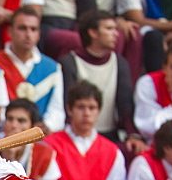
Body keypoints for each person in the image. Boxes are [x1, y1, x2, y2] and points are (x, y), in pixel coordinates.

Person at [44, 81, 126, 180]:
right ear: (69, 109)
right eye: (81, 107)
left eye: (92, 108)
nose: (86, 113)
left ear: (99, 111)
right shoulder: (50, 145)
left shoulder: (112, 150)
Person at [59, 9, 143, 154]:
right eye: (109, 29)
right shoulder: (69, 62)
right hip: (75, 136)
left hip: (108, 135)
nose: (116, 34)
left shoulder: (120, 63)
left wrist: (133, 134)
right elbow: (67, 103)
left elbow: (125, 103)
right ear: (93, 33)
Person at [0, 5, 65, 132]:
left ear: (39, 34)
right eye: (22, 28)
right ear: (10, 31)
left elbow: (57, 110)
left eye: (33, 29)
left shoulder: (52, 68)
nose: (28, 34)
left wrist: (47, 126)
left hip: (39, 136)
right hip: (1, 132)